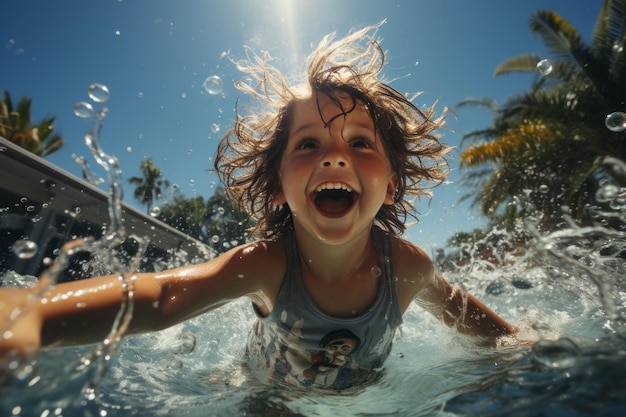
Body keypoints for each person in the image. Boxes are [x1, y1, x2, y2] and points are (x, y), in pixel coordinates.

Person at [0, 23, 518, 391]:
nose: (336, 157)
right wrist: (30, 315)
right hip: (269, 395)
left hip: (366, 395)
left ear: (393, 180)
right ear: (276, 186)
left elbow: (465, 315)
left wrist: (522, 343)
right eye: (308, 145)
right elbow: (164, 298)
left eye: (361, 144)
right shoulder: (267, 264)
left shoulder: (407, 266)